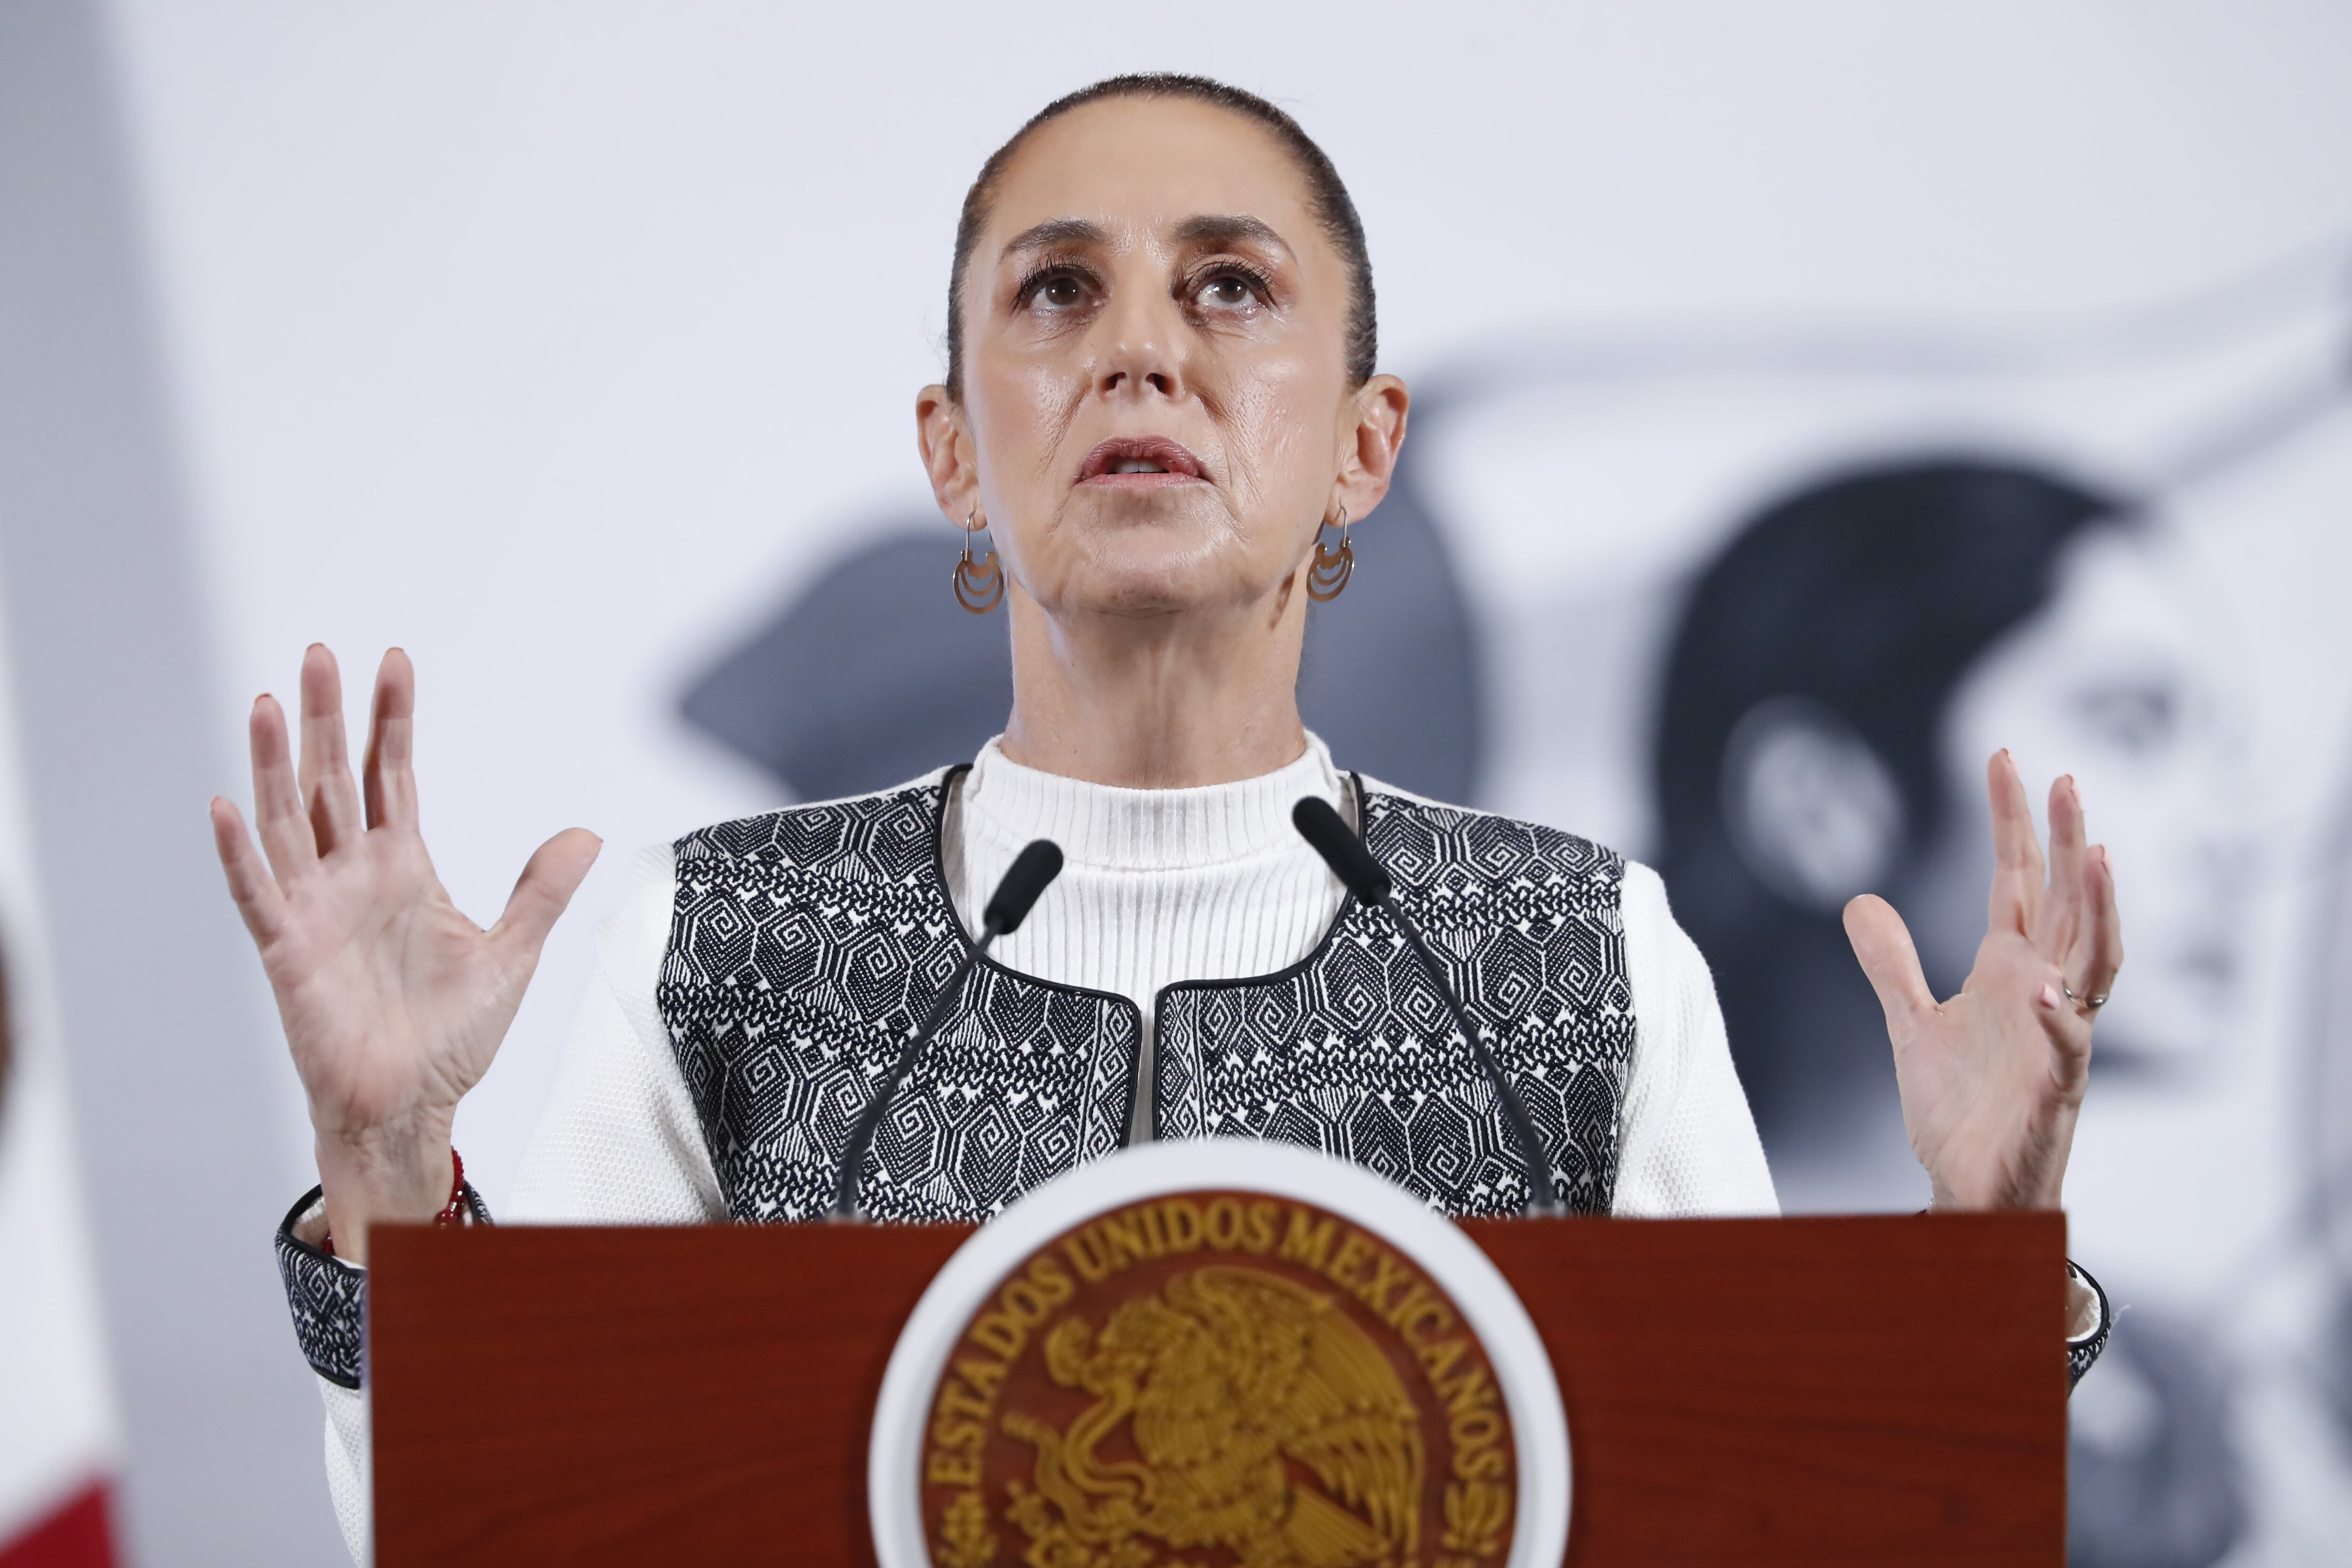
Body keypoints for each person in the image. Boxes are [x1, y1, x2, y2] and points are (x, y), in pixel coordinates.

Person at [207, 75, 2119, 1560]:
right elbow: (507, 1536)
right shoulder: (730, 943)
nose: (1143, 352)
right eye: (1058, 291)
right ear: (952, 448)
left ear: (1363, 444)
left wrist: (1982, 1265)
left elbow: (1781, 1531)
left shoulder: (1572, 951)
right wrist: (386, 1170)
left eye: (1230, 288)